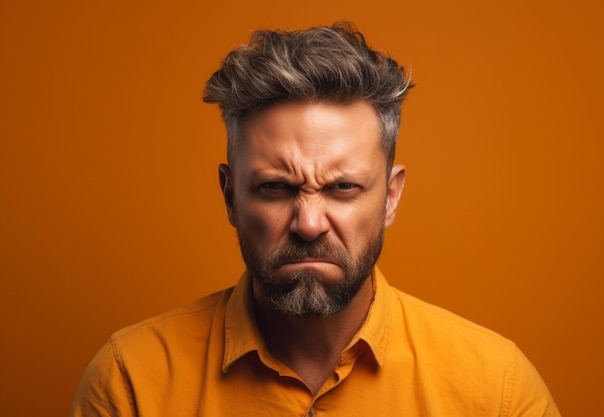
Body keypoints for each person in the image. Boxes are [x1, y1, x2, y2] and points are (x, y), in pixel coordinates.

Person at [70, 22, 561, 416]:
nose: (309, 224)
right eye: (275, 188)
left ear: (390, 196)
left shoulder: (496, 390)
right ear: (230, 197)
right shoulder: (131, 380)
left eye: (343, 187)